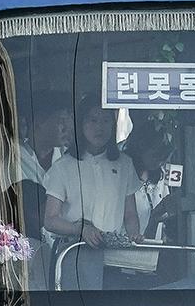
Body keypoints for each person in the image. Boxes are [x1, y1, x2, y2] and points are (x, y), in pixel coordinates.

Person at [43, 106, 140, 289]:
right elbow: (50, 220)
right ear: (81, 124)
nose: (99, 127)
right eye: (93, 120)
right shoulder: (63, 166)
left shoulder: (124, 163)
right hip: (75, 253)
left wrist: (133, 235)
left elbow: (130, 214)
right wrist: (81, 230)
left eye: (105, 121)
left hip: (114, 257)